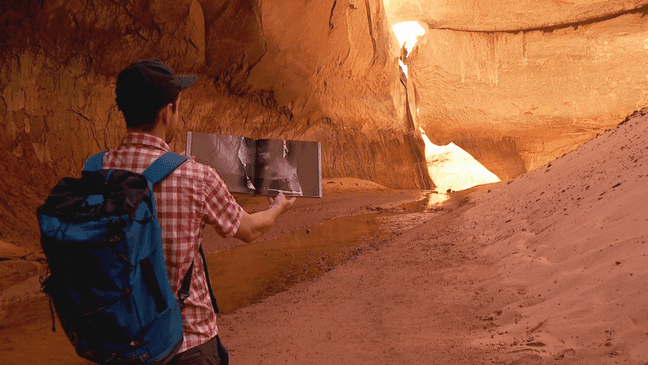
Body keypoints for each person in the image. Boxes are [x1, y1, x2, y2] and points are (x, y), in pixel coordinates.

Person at [101, 59, 295, 365]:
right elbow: (249, 230)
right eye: (178, 106)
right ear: (167, 112)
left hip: (117, 343)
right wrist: (279, 207)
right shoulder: (196, 177)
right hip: (186, 343)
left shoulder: (96, 169)